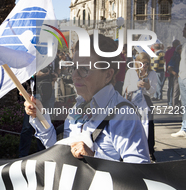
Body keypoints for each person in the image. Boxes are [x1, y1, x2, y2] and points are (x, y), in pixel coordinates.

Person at [24, 34, 150, 163]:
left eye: (84, 69)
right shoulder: (78, 106)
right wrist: (40, 115)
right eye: (74, 68)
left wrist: (94, 158)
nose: (74, 75)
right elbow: (59, 149)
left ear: (108, 74)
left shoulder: (123, 114)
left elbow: (138, 170)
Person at [123, 52, 158, 162]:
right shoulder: (130, 72)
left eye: (146, 64)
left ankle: (150, 151)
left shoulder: (152, 74)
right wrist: (136, 85)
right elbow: (125, 89)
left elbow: (153, 93)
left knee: (149, 125)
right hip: (132, 101)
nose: (144, 66)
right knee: (132, 125)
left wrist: (148, 87)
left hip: (146, 101)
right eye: (141, 63)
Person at [171, 24, 186, 137]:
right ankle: (184, 128)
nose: (183, 31)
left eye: (184, 28)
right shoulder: (184, 45)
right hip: (182, 77)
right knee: (184, 104)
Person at [165, 40, 181, 106]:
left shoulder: (168, 51)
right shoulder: (177, 54)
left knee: (171, 88)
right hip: (177, 74)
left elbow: (165, 59)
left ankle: (170, 103)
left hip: (171, 73)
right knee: (176, 90)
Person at [167, 44, 182, 109]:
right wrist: (176, 75)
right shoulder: (175, 56)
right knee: (176, 92)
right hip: (178, 76)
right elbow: (169, 67)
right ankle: (175, 106)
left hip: (182, 76)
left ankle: (180, 106)